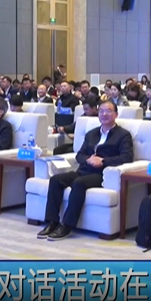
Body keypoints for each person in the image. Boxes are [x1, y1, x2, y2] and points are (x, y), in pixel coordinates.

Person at [37, 100, 134, 241]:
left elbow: (127, 157)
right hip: (83, 170)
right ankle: (52, 222)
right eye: (101, 111)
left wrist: (103, 161)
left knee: (79, 183)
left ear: (116, 115)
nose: (104, 114)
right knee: (56, 180)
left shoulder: (123, 135)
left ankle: (67, 225)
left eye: (108, 111)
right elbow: (79, 155)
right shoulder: (91, 134)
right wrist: (88, 159)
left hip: (102, 174)